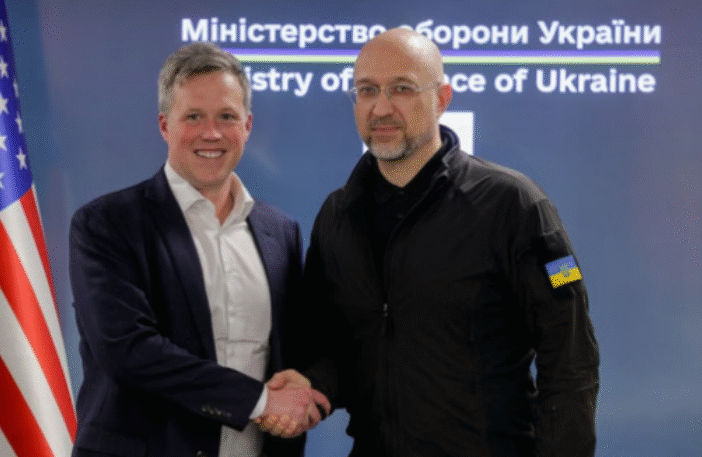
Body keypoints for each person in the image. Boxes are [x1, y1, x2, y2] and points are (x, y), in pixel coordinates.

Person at [265, 28, 600, 456]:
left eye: (402, 89)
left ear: (442, 98)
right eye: (367, 90)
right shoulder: (337, 216)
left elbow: (571, 357)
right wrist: (312, 382)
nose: (381, 108)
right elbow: (333, 345)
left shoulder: (513, 205)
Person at [69, 42, 328, 457]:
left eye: (227, 116)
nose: (212, 133)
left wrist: (307, 387)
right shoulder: (107, 224)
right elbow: (128, 352)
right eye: (193, 117)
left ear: (247, 125)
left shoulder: (281, 231)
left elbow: (297, 346)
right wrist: (261, 402)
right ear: (164, 125)